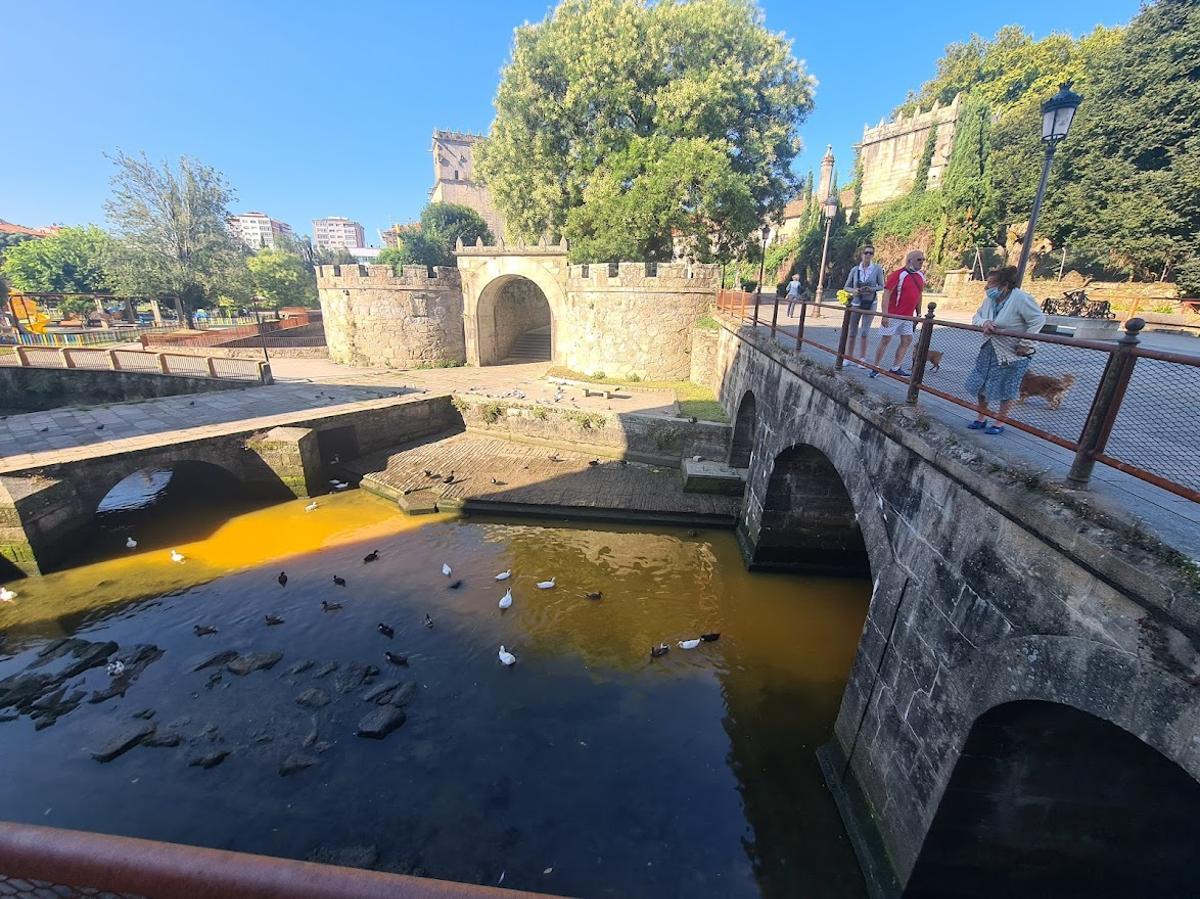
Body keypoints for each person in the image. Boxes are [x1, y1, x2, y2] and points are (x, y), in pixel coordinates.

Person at [965, 265, 1047, 435]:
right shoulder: (989, 300)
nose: (987, 288)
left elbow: (1037, 320)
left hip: (1012, 352)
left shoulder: (1021, 299)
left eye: (991, 284)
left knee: (1007, 386)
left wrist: (1026, 343)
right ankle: (982, 416)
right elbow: (977, 316)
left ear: (1004, 285)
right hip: (989, 349)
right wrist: (984, 323)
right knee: (981, 382)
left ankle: (1000, 421)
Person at [869, 249, 925, 378]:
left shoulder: (920, 276)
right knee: (886, 339)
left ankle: (896, 367)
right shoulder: (898, 275)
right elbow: (887, 294)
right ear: (910, 261)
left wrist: (919, 313)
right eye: (919, 259)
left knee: (907, 340)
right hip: (894, 314)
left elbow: (919, 295)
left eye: (923, 259)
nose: (921, 262)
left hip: (908, 316)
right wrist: (885, 315)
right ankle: (875, 367)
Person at [843, 245, 885, 367]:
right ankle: (848, 356)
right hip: (856, 302)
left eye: (870, 253)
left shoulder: (877, 269)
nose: (868, 255)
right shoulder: (855, 270)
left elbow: (882, 285)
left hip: (870, 302)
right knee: (852, 331)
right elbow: (846, 286)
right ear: (861, 255)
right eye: (866, 253)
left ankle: (862, 358)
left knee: (865, 332)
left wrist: (870, 289)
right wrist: (854, 291)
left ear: (873, 255)